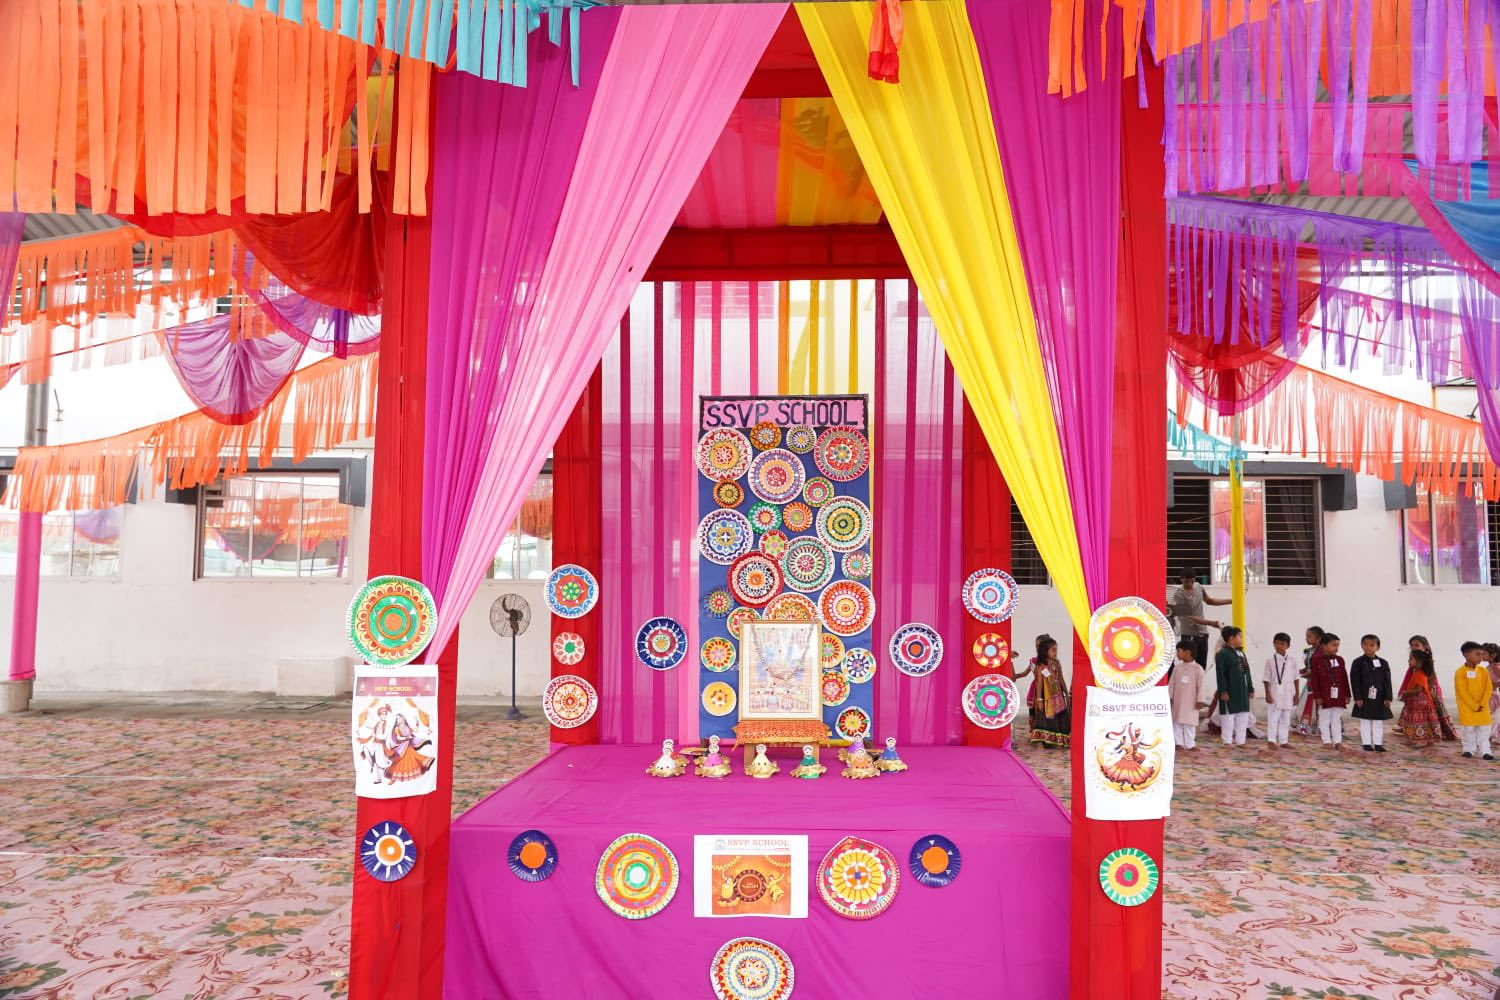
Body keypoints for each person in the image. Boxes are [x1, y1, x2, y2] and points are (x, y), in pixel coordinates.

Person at [1167, 567, 1231, 675]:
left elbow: (1209, 601)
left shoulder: (1198, 587)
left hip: (1203, 633)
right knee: (1188, 666)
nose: (1190, 584)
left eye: (1192, 581)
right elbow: (1190, 616)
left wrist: (1231, 601)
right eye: (1187, 582)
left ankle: (1199, 685)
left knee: (1201, 668)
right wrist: (1211, 623)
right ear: (1181, 579)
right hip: (1188, 634)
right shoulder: (1178, 595)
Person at [1013, 635, 1070, 749]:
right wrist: (1039, 699)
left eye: (1056, 650)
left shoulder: (1056, 664)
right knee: (1041, 716)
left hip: (1056, 694)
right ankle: (1039, 739)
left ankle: (1056, 739)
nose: (1055, 652)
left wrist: (1066, 693)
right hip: (1042, 694)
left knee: (1057, 716)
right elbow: (1035, 681)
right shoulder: (1037, 664)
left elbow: (1061, 679)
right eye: (1053, 650)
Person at [1405, 635, 1458, 742]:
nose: (1414, 647)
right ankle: (1422, 732)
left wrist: (1427, 691)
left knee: (1433, 713)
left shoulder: (1426, 660)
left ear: (1425, 647)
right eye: (1412, 645)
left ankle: (1436, 732)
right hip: (1418, 692)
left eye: (1417, 645)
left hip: (1428, 691)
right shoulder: (1414, 659)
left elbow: (1432, 677)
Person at [1349, 634, 1394, 753]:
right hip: (1364, 697)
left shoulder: (1383, 663)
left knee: (1378, 721)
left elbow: (1387, 681)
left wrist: (1388, 697)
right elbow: (1354, 681)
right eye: (1365, 644)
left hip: (1379, 697)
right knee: (1365, 720)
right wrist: (1357, 697)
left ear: (1378, 647)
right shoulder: (1357, 662)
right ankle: (1366, 743)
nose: (1368, 647)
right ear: (1361, 645)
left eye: (1372, 645)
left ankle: (1378, 744)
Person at [1454, 641, 1494, 760]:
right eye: (1477, 654)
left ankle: (1485, 751)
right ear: (1466, 654)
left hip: (1482, 707)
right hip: (1467, 707)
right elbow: (1462, 691)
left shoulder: (1483, 671)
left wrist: (1482, 703)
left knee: (1484, 730)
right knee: (1468, 730)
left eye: (1482, 654)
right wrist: (1474, 706)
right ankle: (1468, 749)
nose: (1480, 658)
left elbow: (1488, 688)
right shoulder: (1460, 672)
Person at [1309, 633, 1350, 749]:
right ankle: (1326, 741)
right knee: (1325, 718)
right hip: (1324, 695)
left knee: (1336, 718)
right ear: (1323, 645)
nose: (1336, 648)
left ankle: (1337, 742)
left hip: (1339, 695)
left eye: (1337, 645)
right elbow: (1314, 680)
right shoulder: (1316, 660)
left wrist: (1347, 694)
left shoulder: (1340, 660)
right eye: (1333, 645)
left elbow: (1344, 677)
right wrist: (1317, 696)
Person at [1215, 626, 1254, 746]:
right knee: (1228, 716)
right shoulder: (1222, 654)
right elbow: (1220, 674)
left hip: (1242, 690)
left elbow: (1247, 672)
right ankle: (1227, 741)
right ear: (1231, 638)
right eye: (1239, 637)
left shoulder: (1241, 653)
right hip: (1230, 690)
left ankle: (1240, 741)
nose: (1242, 639)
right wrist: (1223, 691)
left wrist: (1250, 688)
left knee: (1243, 715)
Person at [1397, 648, 1443, 748]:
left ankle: (1419, 741)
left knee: (1418, 722)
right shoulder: (1418, 672)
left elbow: (1418, 689)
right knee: (1422, 722)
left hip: (1419, 703)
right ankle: (1421, 741)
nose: (1408, 661)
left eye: (1411, 659)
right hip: (1418, 702)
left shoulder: (1419, 674)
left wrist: (1405, 693)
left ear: (1419, 662)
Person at [1170, 639, 1210, 750]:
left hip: (1191, 702)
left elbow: (1201, 686)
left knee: (1189, 723)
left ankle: (1190, 744)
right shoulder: (1177, 668)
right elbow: (1171, 684)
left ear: (1187, 652)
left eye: (1179, 651)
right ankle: (1178, 743)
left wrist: (1200, 700)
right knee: (1177, 722)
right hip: (1178, 701)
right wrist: (1169, 697)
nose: (1177, 654)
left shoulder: (1198, 669)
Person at [1262, 632, 1299, 749]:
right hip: (1274, 693)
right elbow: (1266, 679)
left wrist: (1297, 694)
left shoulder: (1292, 660)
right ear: (1273, 643)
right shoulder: (1270, 660)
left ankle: (1284, 741)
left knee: (1286, 718)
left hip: (1288, 693)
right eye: (1276, 643)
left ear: (1288, 646)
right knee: (1273, 718)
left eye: (1282, 644)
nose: (1279, 646)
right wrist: (1267, 694)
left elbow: (1296, 678)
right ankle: (1271, 740)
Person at [1292, 626, 1325, 737]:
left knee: (1318, 705)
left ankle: (1319, 727)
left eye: (1309, 636)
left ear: (1318, 638)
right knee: (1307, 703)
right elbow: (1309, 667)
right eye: (1306, 636)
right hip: (1310, 682)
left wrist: (1311, 674)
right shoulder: (1308, 651)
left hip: (1320, 683)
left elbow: (1321, 668)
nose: (1306, 639)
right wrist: (1300, 671)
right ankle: (1305, 726)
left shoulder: (1323, 651)